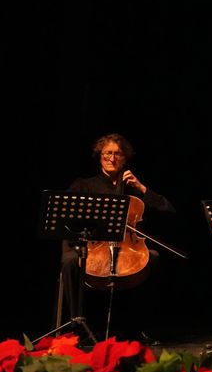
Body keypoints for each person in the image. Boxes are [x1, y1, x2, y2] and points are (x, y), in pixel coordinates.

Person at [61, 133, 175, 342]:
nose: (112, 158)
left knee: (153, 257)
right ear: (100, 156)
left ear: (125, 158)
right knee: (69, 261)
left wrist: (142, 188)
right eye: (107, 153)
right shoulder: (84, 185)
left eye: (117, 154)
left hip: (128, 247)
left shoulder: (133, 187)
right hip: (93, 247)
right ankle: (78, 326)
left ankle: (140, 326)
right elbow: (65, 217)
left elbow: (168, 211)